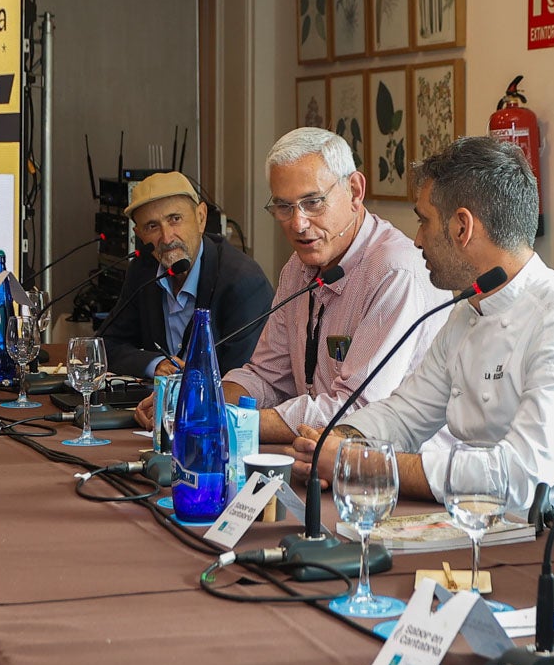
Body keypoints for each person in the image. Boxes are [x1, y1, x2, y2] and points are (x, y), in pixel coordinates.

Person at [290, 136, 554, 511]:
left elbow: (520, 478)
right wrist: (334, 440)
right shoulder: (467, 311)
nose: (418, 239)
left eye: (424, 221)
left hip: (552, 541)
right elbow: (404, 415)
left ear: (461, 227)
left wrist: (362, 462)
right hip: (474, 520)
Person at [133, 128, 449, 442]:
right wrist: (194, 400)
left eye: (313, 202)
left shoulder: (395, 271)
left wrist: (222, 420)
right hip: (317, 457)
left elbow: (355, 413)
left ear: (354, 191)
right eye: (284, 207)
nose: (297, 224)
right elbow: (267, 378)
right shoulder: (299, 267)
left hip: (394, 475)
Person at [103, 172, 273, 378]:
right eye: (152, 226)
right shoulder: (144, 270)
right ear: (139, 235)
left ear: (201, 218)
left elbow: (242, 379)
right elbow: (106, 346)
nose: (166, 237)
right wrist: (156, 364)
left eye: (175, 219)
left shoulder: (243, 282)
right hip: (157, 404)